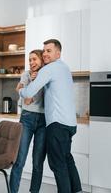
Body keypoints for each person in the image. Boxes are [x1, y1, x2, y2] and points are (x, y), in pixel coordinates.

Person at [18, 39, 82, 193]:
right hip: (70, 123)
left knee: (57, 164)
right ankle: (77, 190)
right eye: (44, 50)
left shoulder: (49, 69)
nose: (45, 53)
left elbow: (28, 92)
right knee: (67, 158)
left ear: (58, 53)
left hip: (57, 123)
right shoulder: (65, 68)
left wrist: (20, 89)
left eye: (49, 51)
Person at [10, 49, 46, 193]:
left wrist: (37, 81)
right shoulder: (26, 74)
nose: (31, 63)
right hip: (27, 118)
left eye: (34, 59)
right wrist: (33, 81)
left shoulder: (46, 74)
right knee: (20, 159)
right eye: (30, 60)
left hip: (44, 120)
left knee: (38, 162)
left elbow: (29, 95)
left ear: (42, 60)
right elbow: (25, 96)